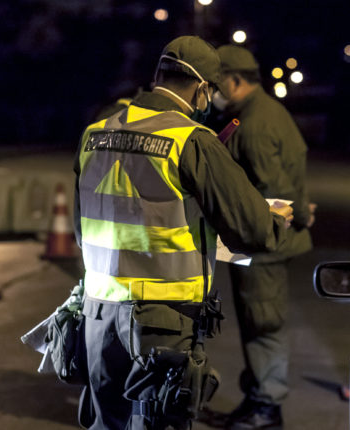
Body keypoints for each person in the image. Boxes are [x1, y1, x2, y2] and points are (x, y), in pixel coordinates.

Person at [72, 35, 293, 430]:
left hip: (98, 317)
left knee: (107, 424)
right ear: (202, 88)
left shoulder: (95, 135)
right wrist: (277, 221)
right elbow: (252, 230)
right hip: (162, 322)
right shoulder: (191, 141)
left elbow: (82, 228)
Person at [214, 44, 314, 430]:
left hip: (263, 245)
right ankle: (256, 397)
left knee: (263, 323)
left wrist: (300, 211)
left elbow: (275, 193)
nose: (213, 92)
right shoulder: (260, 113)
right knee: (256, 321)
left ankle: (266, 408)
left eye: (217, 83)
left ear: (235, 80)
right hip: (256, 243)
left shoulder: (254, 124)